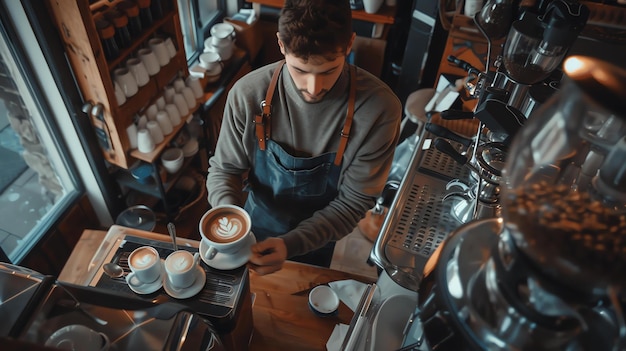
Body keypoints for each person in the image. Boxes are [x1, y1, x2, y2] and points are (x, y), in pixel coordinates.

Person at [206, 0, 402, 275]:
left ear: (349, 45)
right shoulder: (248, 93)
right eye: (300, 70)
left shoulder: (379, 110)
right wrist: (231, 221)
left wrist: (292, 244)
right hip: (252, 223)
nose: (313, 88)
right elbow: (225, 169)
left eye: (328, 70)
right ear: (281, 45)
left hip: (321, 236)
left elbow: (354, 202)